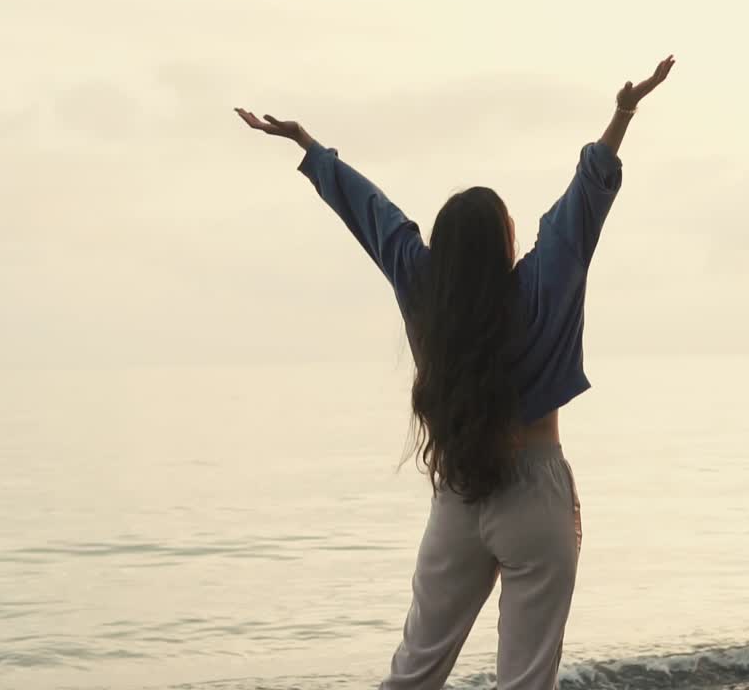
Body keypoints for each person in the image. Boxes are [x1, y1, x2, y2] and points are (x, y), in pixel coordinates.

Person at [234, 54, 675, 690]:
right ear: (505, 242)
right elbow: (585, 200)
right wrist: (622, 114)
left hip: (460, 491)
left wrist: (310, 149)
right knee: (525, 681)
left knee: (413, 673)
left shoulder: (424, 288)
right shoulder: (541, 283)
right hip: (534, 493)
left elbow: (372, 215)